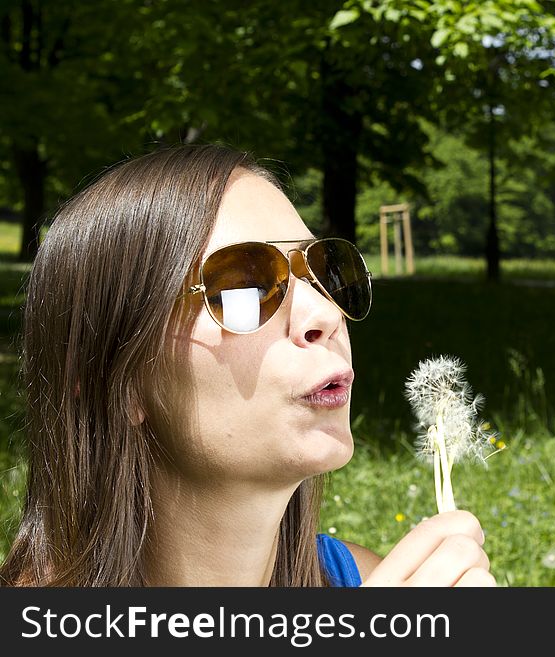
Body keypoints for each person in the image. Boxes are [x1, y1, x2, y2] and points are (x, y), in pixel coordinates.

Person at [0, 144, 494, 587]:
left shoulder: (362, 582)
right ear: (117, 381)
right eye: (244, 288)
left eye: (324, 270)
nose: (326, 314)